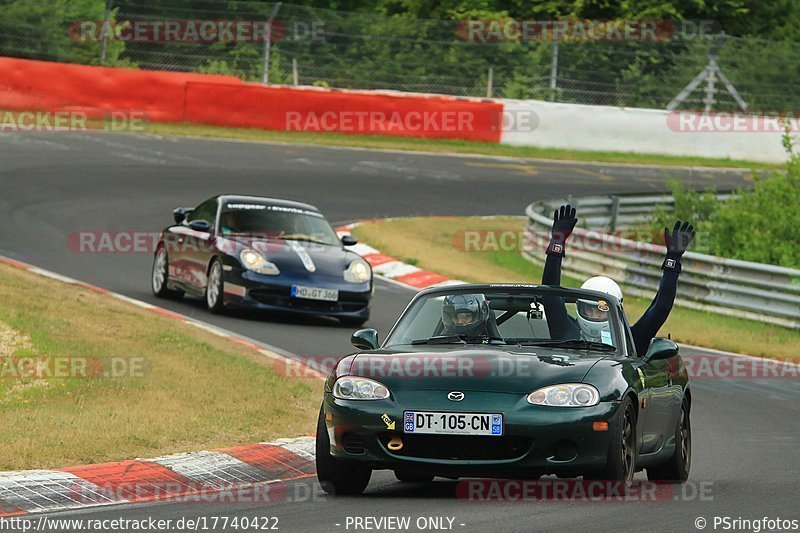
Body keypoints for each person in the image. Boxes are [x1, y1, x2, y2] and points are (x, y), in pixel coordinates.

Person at [541, 204, 695, 355]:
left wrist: (673, 260)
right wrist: (557, 243)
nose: (594, 315)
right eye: (589, 309)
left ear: (616, 310)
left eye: (600, 310)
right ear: (579, 307)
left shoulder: (630, 340)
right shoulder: (565, 330)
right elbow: (550, 295)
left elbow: (661, 307)